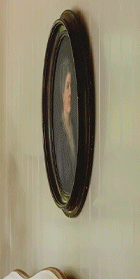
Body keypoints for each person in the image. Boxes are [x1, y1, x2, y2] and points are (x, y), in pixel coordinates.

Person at [53, 64, 78, 193]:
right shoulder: (57, 131)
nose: (70, 94)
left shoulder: (76, 126)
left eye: (72, 87)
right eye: (67, 86)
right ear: (62, 93)